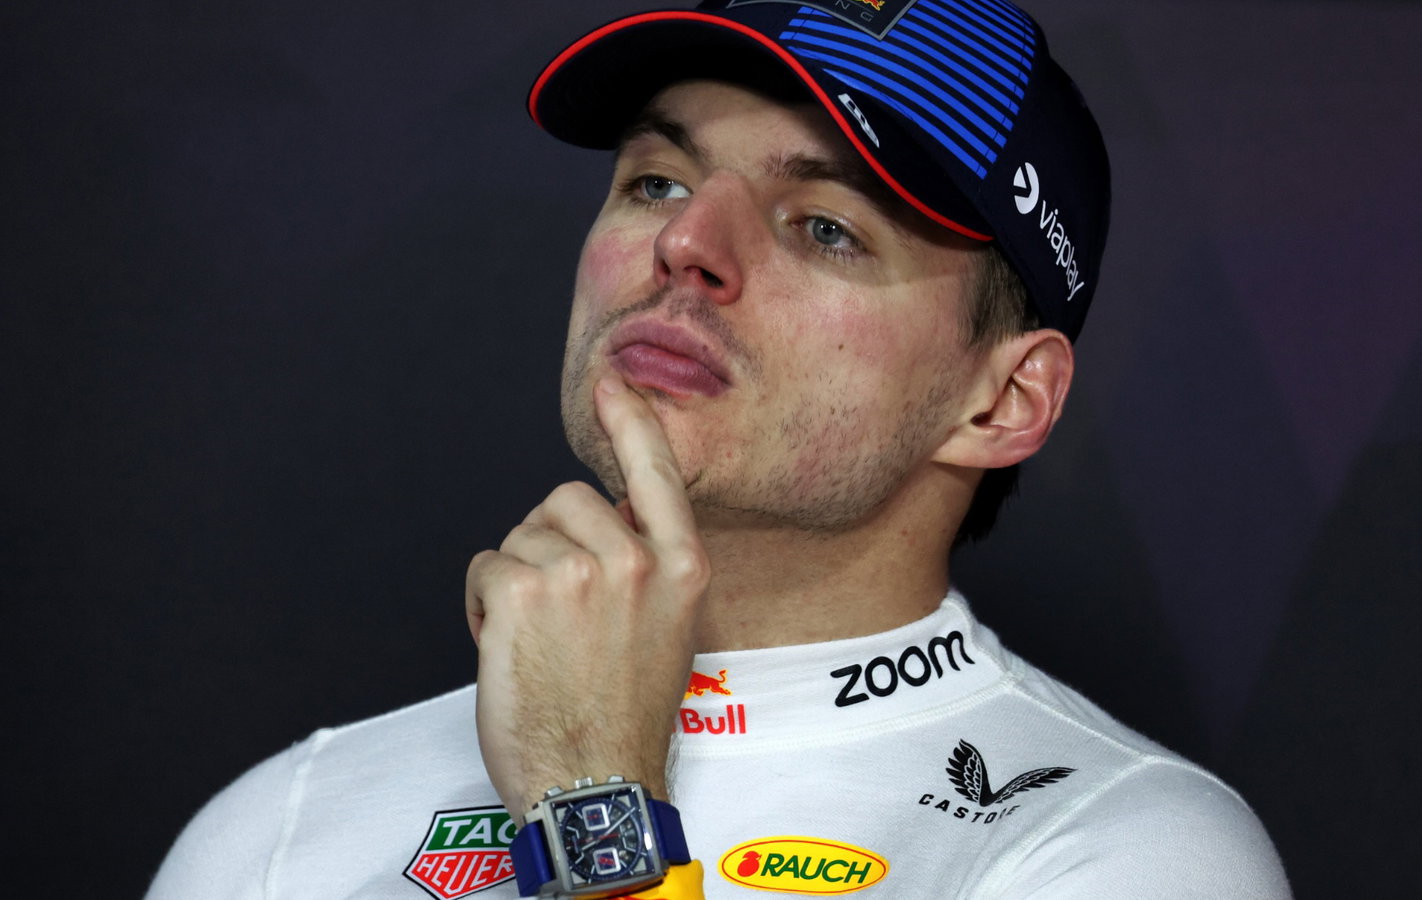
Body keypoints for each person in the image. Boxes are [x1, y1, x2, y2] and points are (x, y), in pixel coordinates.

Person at [149, 1, 1291, 897]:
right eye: (658, 181)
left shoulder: (1124, 849)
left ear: (1002, 400)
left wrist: (591, 801)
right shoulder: (281, 823)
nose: (688, 242)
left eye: (827, 229)